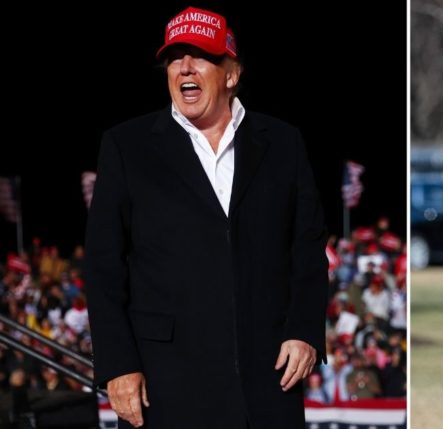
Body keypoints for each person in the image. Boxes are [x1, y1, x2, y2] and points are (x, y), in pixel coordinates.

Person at [85, 6, 327, 428]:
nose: (184, 68)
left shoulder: (284, 144)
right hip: (165, 387)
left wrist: (305, 330)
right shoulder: (127, 147)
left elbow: (307, 250)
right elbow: (103, 265)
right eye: (175, 58)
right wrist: (117, 365)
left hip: (268, 383)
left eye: (199, 57)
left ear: (231, 73)